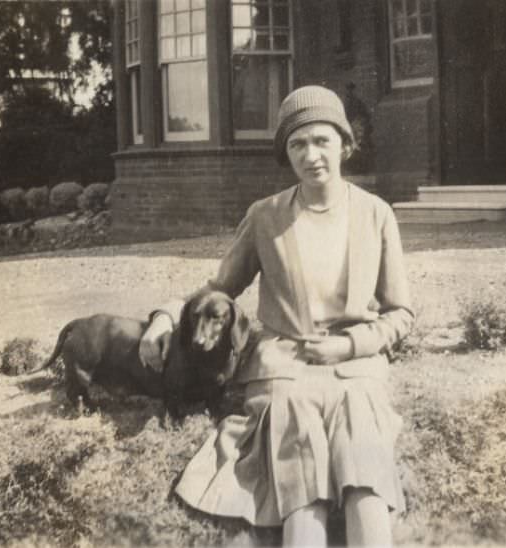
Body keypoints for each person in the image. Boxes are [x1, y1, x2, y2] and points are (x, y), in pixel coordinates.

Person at [139, 85, 414, 547]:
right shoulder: (265, 217)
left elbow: (400, 312)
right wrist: (166, 317)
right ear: (286, 153)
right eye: (297, 144)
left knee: (362, 460)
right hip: (286, 368)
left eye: (322, 140)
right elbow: (219, 287)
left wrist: (349, 345)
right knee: (299, 453)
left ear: (344, 144)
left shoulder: (376, 215)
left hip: (354, 368)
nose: (312, 155)